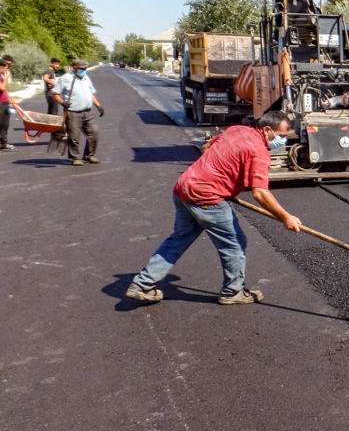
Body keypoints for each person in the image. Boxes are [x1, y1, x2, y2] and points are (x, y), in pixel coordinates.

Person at [126, 111, 303, 305]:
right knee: (234, 244)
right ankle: (232, 292)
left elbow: (207, 147)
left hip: (185, 186)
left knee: (179, 239)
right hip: (206, 198)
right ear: (267, 130)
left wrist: (213, 175)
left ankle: (142, 284)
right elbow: (259, 193)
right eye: (282, 136)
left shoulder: (238, 130)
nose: (283, 140)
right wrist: (285, 217)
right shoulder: (259, 152)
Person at [52, 59, 104, 166]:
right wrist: (63, 103)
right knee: (74, 137)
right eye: (81, 68)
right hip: (73, 113)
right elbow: (55, 94)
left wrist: (98, 105)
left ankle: (89, 155)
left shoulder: (86, 78)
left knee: (93, 134)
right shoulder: (65, 78)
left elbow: (91, 93)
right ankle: (74, 158)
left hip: (88, 112)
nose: (83, 70)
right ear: (74, 68)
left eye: (85, 68)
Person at [0, 58, 12, 152]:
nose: (6, 70)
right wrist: (6, 77)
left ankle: (4, 143)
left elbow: (5, 89)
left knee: (5, 125)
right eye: (5, 68)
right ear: (1, 67)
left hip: (5, 103)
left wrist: (9, 97)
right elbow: (2, 87)